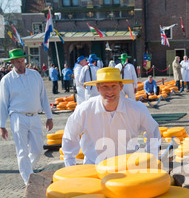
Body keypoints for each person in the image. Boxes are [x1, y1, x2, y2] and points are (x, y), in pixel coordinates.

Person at [61, 67, 161, 166]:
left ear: (121, 86)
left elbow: (153, 132)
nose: (110, 91)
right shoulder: (85, 110)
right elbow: (69, 135)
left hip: (127, 169)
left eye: (114, 86)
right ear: (98, 88)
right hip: (93, 168)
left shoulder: (137, 109)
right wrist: (70, 166)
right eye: (105, 87)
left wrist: (151, 159)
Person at [0, 49, 53, 185]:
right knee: (22, 150)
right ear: (12, 63)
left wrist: (49, 116)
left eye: (22, 61)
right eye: (17, 62)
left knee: (37, 149)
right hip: (18, 117)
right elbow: (3, 103)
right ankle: (28, 180)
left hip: (35, 116)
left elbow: (43, 96)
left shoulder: (35, 75)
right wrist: (2, 126)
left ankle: (25, 168)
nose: (20, 64)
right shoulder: (7, 80)